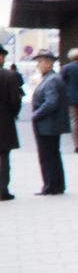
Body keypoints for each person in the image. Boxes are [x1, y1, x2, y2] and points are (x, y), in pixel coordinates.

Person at [30, 49, 70, 196]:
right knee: (52, 155)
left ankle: (50, 186)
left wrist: (35, 114)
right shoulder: (51, 78)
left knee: (47, 156)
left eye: (40, 62)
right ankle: (56, 185)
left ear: (48, 62)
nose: (38, 65)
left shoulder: (51, 80)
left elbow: (51, 102)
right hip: (49, 125)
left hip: (48, 125)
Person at [0, 44, 22, 200]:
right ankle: (2, 190)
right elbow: (16, 101)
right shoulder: (9, 75)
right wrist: (11, 114)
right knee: (4, 158)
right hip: (4, 124)